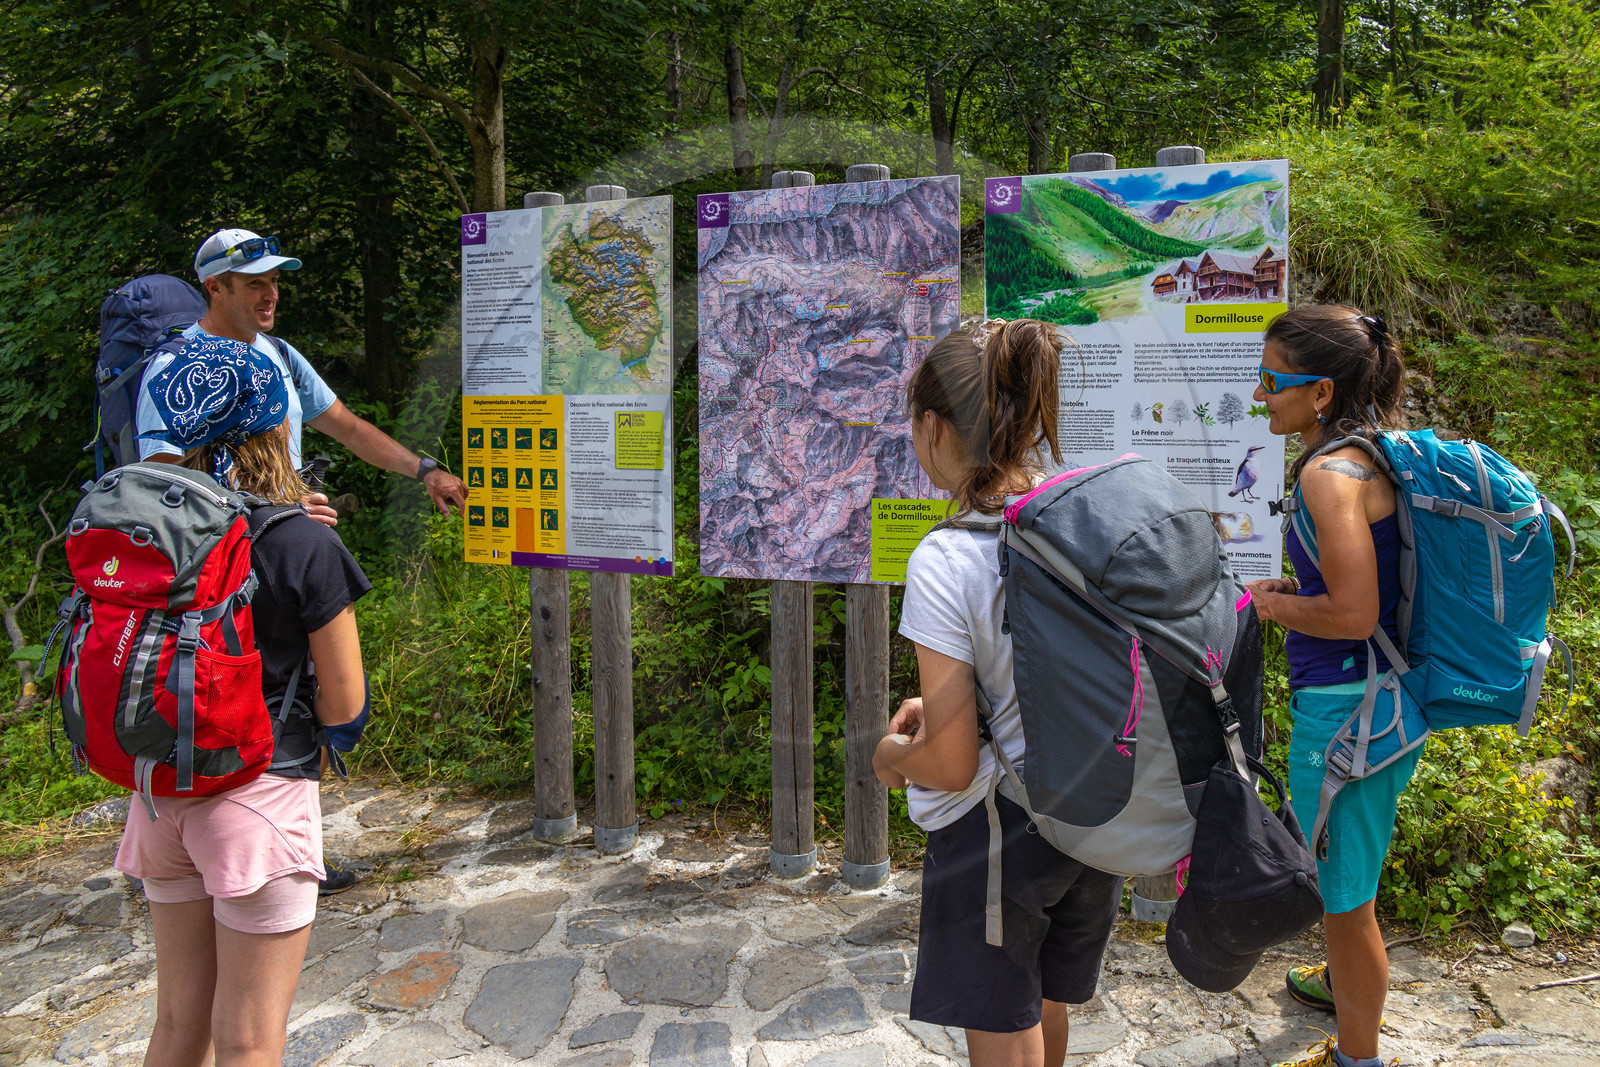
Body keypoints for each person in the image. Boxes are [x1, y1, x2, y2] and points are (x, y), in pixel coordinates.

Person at [115, 336, 372, 1066]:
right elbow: (345, 705)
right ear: (275, 428)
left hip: (160, 796)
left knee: (177, 1025)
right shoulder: (302, 544)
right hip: (258, 798)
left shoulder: (147, 537)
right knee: (249, 1039)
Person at [874, 318, 1124, 1067]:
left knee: (1002, 1022)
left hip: (997, 833)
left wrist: (891, 757)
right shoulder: (1079, 518)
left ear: (932, 426)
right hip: (1089, 811)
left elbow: (951, 766)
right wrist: (957, 709)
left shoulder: (947, 557)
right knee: (1044, 1000)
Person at [1244, 306, 1420, 1067]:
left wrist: (1270, 606)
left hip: (1349, 713)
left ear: (1320, 392)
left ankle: (1358, 1055)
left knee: (1346, 902)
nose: (1260, 394)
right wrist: (1298, 587)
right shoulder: (1368, 455)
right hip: (1378, 702)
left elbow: (1352, 614)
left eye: (1271, 380)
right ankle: (1340, 987)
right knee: (1348, 876)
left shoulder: (1327, 473)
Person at [136, 227, 469, 524]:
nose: (271, 294)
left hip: (286, 528)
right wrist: (271, 509)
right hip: (223, 547)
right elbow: (162, 482)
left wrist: (426, 472)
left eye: (274, 281)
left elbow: (350, 429)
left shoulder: (278, 352)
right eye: (255, 283)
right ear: (215, 288)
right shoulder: (176, 365)